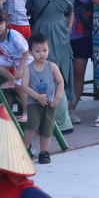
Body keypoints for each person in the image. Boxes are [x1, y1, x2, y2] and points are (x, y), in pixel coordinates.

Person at [22, 34, 66, 163]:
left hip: (49, 103)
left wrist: (57, 98)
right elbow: (24, 86)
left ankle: (44, 152)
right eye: (37, 51)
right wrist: (37, 97)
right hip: (33, 103)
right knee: (31, 127)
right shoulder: (28, 68)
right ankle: (24, 149)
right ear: (30, 52)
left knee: (47, 129)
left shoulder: (52, 66)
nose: (41, 54)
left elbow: (60, 82)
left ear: (48, 50)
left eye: (44, 50)